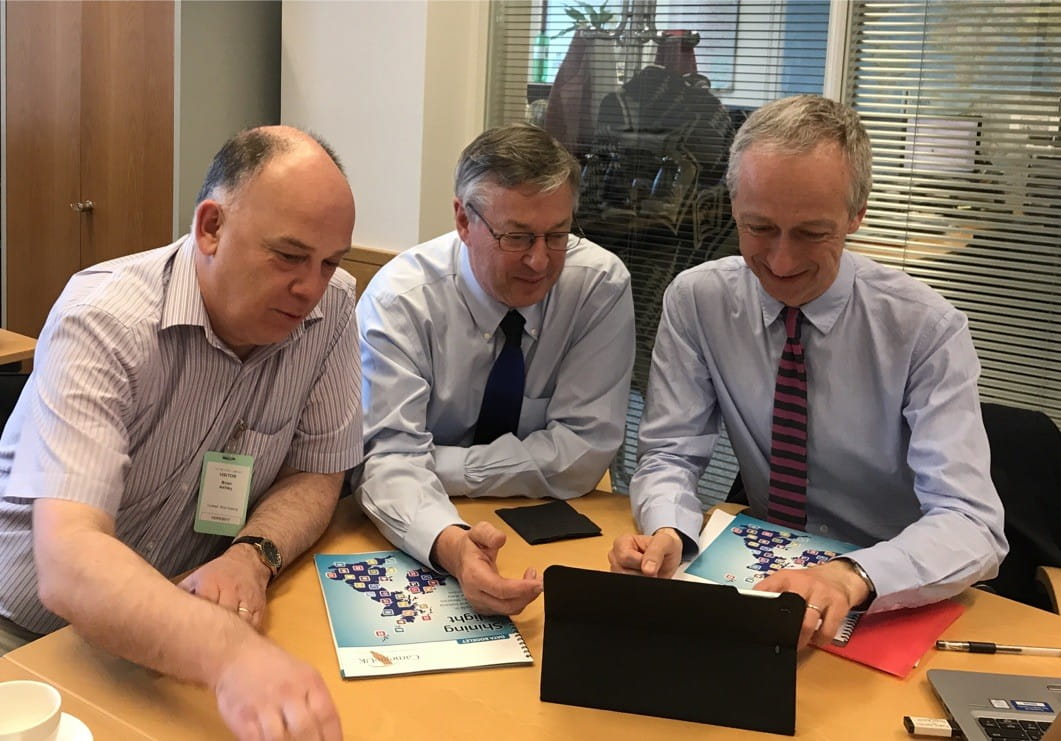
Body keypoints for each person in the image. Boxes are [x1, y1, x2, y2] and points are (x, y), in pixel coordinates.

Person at [0, 126, 361, 740]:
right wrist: (230, 655)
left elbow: (317, 471)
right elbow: (69, 561)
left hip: (179, 622)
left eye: (330, 262)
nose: (311, 289)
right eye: (288, 256)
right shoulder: (104, 318)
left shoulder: (333, 308)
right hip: (30, 639)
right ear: (211, 228)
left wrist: (253, 553)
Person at [607, 94, 1007, 648]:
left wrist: (851, 576)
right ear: (732, 206)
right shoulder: (698, 301)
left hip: (890, 587)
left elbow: (971, 523)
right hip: (761, 579)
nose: (782, 261)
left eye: (812, 233)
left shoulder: (924, 329)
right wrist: (668, 528)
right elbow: (670, 453)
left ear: (856, 213)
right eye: (759, 227)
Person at [355, 123, 635, 616]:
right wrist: (452, 544)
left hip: (549, 525)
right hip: (423, 527)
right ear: (463, 221)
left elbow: (583, 454)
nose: (539, 261)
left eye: (557, 235)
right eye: (516, 237)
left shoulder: (597, 285)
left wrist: (438, 464)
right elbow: (387, 461)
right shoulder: (399, 301)